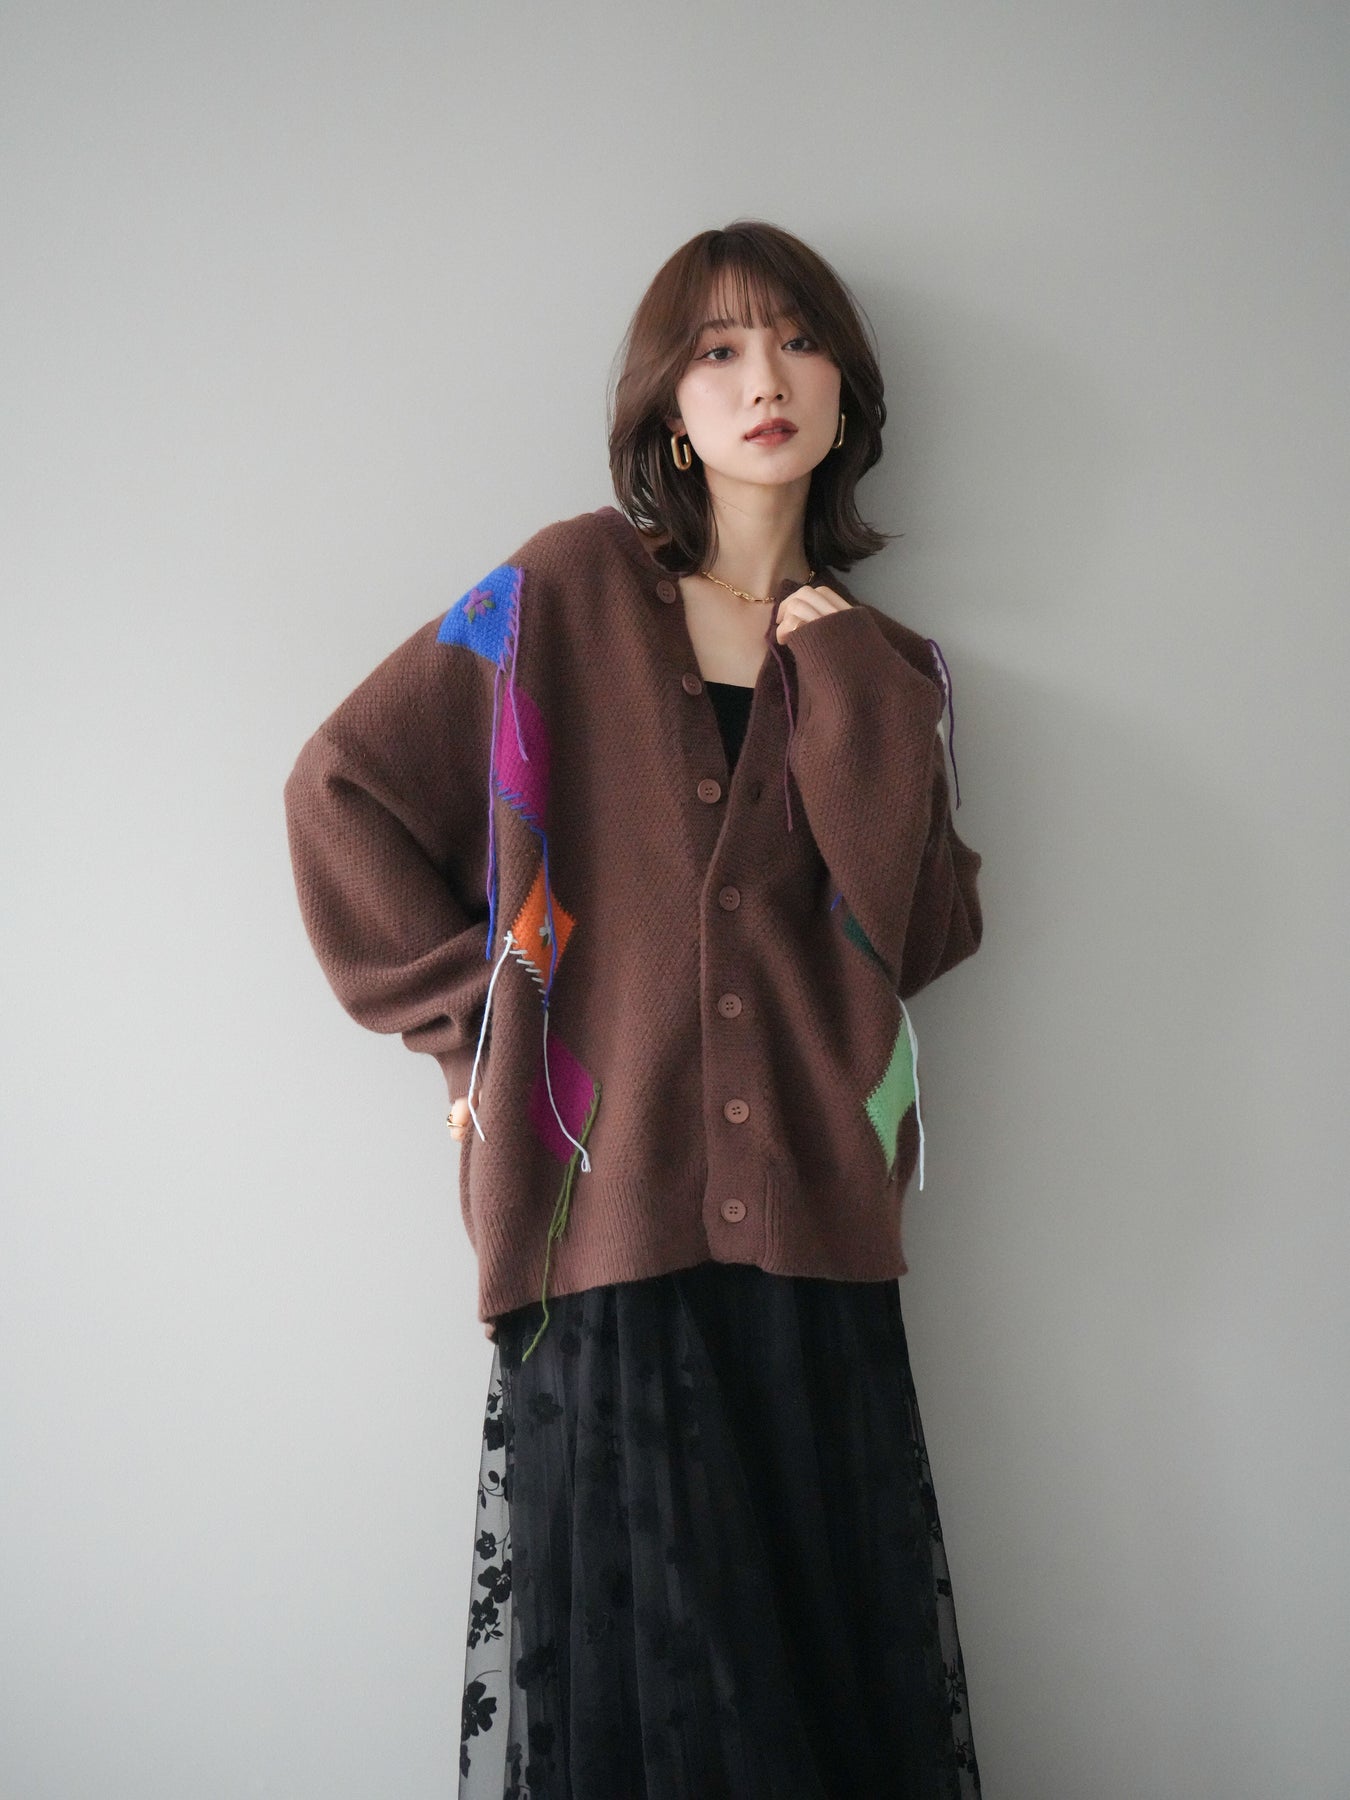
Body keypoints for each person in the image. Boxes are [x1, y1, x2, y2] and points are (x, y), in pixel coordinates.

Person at [284, 219, 985, 1798]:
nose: (763, 380)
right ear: (671, 408)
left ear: (846, 395)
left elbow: (922, 931)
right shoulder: (563, 591)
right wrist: (481, 1027)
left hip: (812, 1247)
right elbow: (336, 793)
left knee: (818, 1712)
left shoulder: (891, 669)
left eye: (796, 341)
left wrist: (851, 699)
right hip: (600, 1237)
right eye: (717, 350)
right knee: (655, 1716)